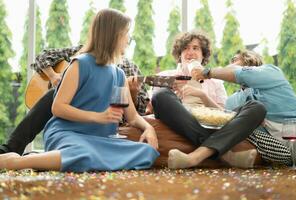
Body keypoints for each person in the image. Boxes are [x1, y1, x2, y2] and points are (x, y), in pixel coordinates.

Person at [0, 8, 159, 172]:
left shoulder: (119, 74)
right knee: (81, 153)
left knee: (147, 152)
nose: (128, 40)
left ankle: (49, 158)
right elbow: (58, 107)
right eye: (126, 34)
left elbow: (132, 117)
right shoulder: (80, 64)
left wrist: (149, 129)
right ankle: (16, 162)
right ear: (113, 35)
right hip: (68, 134)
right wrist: (98, 117)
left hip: (99, 140)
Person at [0, 39, 149, 156]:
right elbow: (42, 58)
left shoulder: (128, 69)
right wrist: (54, 77)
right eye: (125, 36)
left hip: (102, 122)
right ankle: (10, 150)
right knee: (54, 93)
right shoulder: (81, 55)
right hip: (71, 111)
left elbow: (137, 113)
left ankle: (38, 157)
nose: (127, 41)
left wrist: (132, 92)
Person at [151, 31, 266, 169]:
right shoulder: (166, 76)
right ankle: (227, 156)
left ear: (203, 54)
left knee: (257, 107)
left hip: (210, 120)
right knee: (160, 95)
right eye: (186, 48)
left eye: (195, 48)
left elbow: (224, 115)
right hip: (183, 118)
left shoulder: (216, 82)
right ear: (179, 54)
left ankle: (194, 157)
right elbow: (154, 107)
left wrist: (202, 95)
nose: (190, 52)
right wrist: (174, 93)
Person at [192, 49, 296, 166]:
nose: (229, 65)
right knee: (228, 125)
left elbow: (240, 73)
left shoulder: (270, 72)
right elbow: (223, 118)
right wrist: (202, 95)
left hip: (295, 132)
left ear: (249, 60)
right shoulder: (233, 99)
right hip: (275, 150)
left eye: (235, 60)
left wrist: (207, 72)